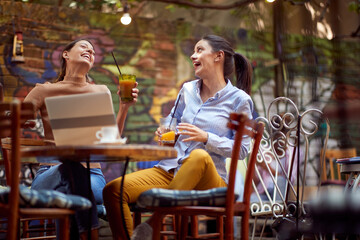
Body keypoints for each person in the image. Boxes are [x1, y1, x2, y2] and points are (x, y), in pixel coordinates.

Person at [103, 34, 254, 240]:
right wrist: (165, 132)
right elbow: (171, 123)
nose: (193, 56)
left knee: (199, 155)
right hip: (170, 170)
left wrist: (206, 137)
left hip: (210, 180)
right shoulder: (188, 89)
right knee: (113, 190)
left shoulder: (239, 100)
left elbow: (243, 150)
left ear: (218, 56)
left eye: (199, 50)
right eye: (193, 51)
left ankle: (153, 224)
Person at [23, 39, 139, 240]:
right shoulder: (44, 90)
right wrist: (22, 121)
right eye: (84, 46)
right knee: (72, 168)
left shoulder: (100, 91)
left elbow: (111, 141)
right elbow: (16, 118)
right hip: (50, 174)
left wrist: (124, 107)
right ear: (66, 54)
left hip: (92, 176)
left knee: (75, 177)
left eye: (93, 51)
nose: (90, 51)